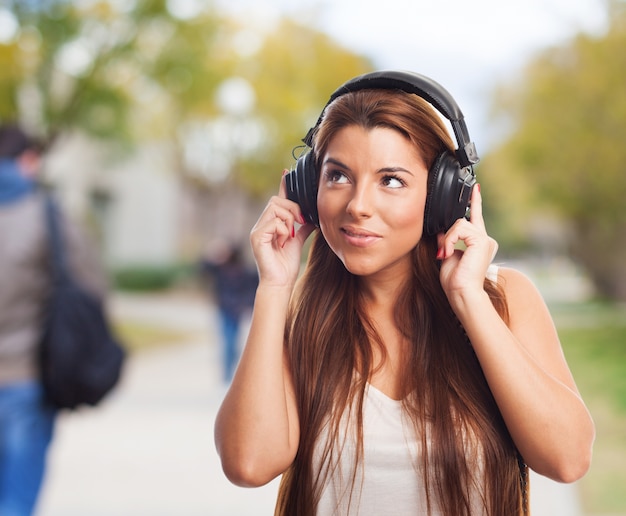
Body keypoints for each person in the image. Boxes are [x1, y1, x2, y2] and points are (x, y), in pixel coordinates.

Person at [214, 71, 595, 515]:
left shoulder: (504, 299)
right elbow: (248, 464)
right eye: (338, 176)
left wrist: (468, 298)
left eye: (390, 180)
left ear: (444, 196)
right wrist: (275, 288)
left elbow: (568, 460)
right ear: (307, 187)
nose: (358, 205)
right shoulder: (299, 316)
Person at [0, 124, 107, 515]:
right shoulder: (45, 217)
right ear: (28, 160)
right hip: (25, 377)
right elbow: (90, 286)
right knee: (15, 500)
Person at [200, 242, 258, 383]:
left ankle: (229, 374)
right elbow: (203, 268)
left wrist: (247, 305)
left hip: (236, 310)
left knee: (231, 342)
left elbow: (252, 289)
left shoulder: (245, 271)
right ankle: (227, 375)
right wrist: (214, 254)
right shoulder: (220, 268)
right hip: (225, 309)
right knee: (228, 341)